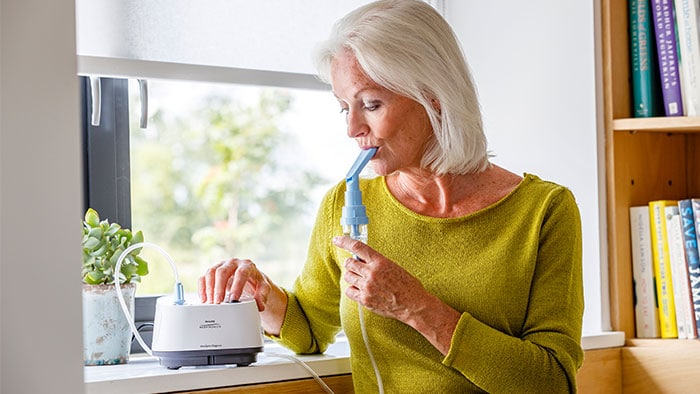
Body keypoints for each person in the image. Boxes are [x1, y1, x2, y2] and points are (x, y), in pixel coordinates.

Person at [199, 0, 584, 392]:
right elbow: (310, 329)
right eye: (343, 107)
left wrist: (418, 308)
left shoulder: (544, 211)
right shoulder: (344, 205)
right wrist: (261, 295)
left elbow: (552, 382)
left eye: (370, 104)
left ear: (434, 95)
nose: (352, 128)